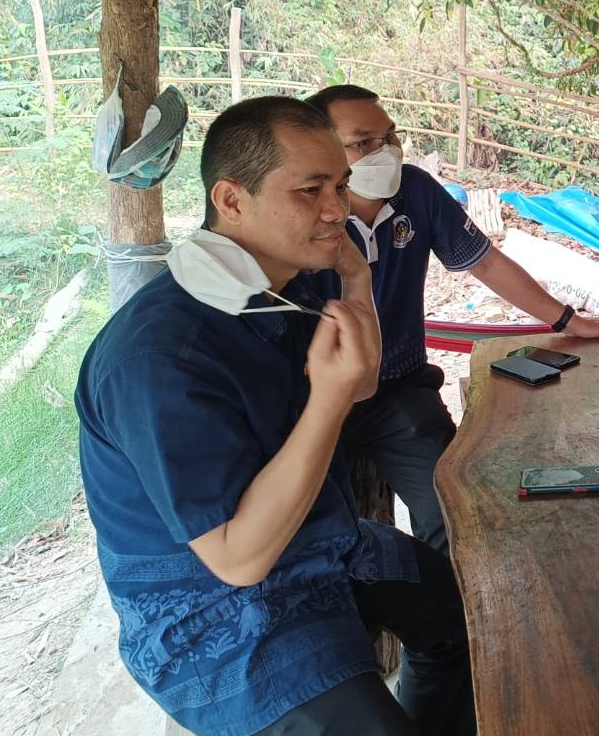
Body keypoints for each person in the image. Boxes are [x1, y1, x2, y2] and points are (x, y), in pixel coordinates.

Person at [75, 97, 475, 735]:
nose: (337, 209)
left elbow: (362, 383)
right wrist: (327, 401)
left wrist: (356, 282)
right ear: (232, 200)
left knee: (470, 617)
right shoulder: (159, 357)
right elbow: (237, 559)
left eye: (340, 185)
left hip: (321, 544)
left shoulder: (282, 284)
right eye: (310, 191)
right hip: (209, 612)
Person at [302, 83, 599, 554]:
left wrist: (566, 321)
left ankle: (452, 601)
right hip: (306, 402)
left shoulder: (415, 192)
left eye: (390, 137)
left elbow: (485, 261)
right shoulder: (300, 215)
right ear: (319, 152)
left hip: (398, 388)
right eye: (363, 142)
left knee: (457, 513)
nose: (385, 152)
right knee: (321, 538)